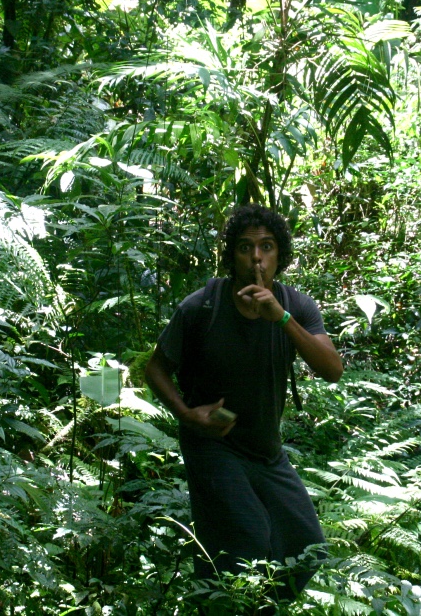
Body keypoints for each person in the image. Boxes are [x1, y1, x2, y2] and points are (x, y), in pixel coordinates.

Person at [145, 204, 343, 611]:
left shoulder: (296, 306)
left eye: (267, 247)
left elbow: (332, 369)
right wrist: (185, 414)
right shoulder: (202, 307)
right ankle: (227, 605)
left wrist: (281, 317)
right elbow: (156, 368)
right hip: (213, 444)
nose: (256, 257)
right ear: (231, 256)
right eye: (245, 247)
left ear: (279, 256)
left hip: (267, 451)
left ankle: (248, 607)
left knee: (308, 547)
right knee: (248, 542)